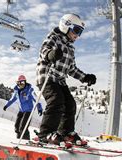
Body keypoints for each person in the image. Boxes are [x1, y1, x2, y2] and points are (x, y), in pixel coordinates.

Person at [34, 14, 96, 147]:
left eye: (80, 32)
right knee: (56, 101)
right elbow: (44, 50)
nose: (77, 35)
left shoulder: (71, 48)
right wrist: (50, 54)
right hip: (47, 77)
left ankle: (66, 132)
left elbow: (71, 69)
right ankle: (46, 134)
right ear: (66, 25)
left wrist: (85, 77)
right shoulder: (53, 37)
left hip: (60, 80)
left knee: (70, 104)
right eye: (77, 30)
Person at [3, 75, 43, 140]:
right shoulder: (16, 91)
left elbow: (36, 99)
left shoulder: (30, 90)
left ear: (25, 82)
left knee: (23, 127)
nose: (21, 84)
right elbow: (12, 99)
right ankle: (19, 139)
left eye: (23, 82)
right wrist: (6, 105)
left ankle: (26, 139)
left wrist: (39, 108)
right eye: (19, 83)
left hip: (28, 111)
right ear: (17, 83)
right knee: (16, 127)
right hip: (21, 111)